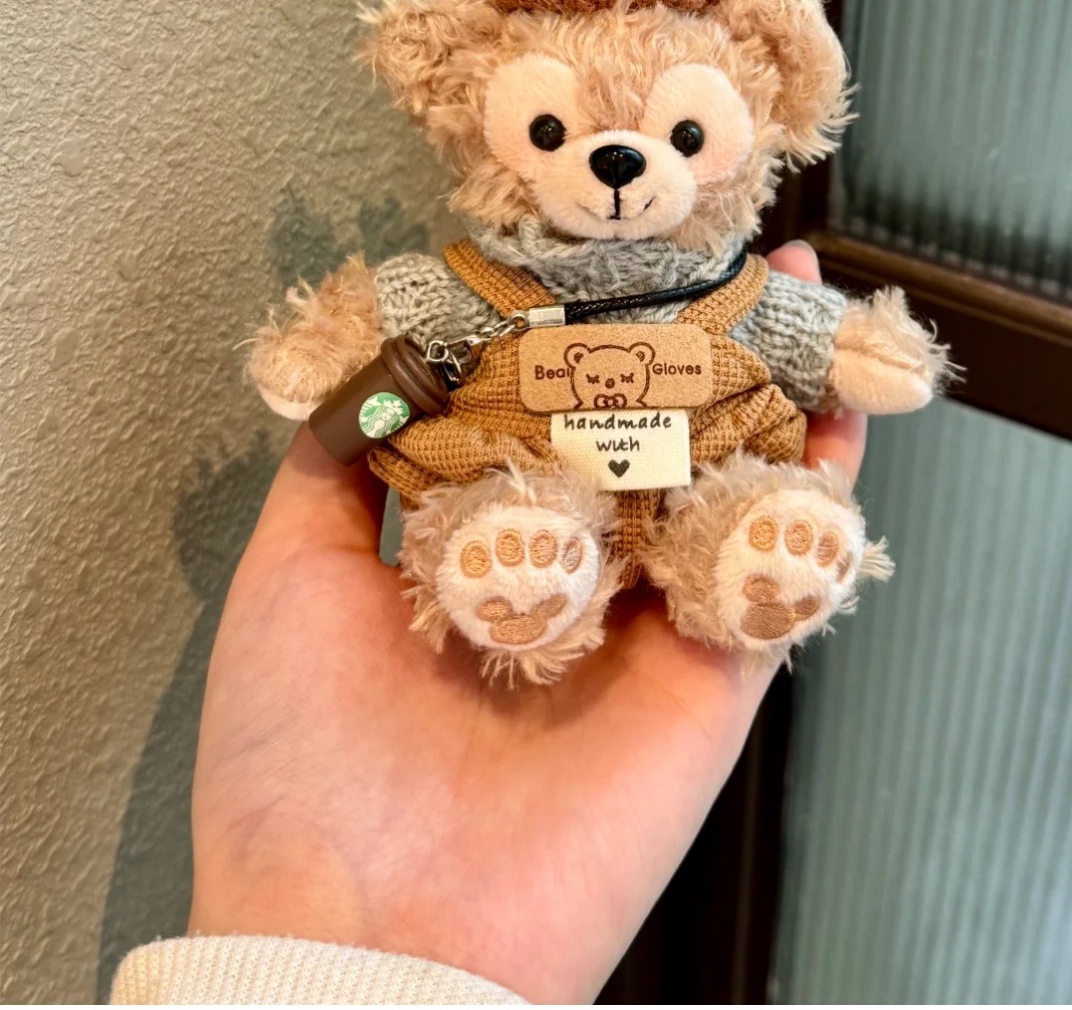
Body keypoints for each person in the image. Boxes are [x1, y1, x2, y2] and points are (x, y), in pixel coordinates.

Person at [111, 243, 866, 1005]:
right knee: (496, 504)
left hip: (702, 467)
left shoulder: (732, 293)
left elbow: (823, 342)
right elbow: (373, 318)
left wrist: (852, 346)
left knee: (735, 500)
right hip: (510, 466)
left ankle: (743, 544)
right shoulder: (472, 291)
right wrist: (330, 346)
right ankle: (523, 552)